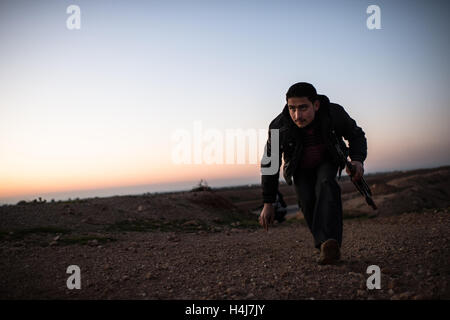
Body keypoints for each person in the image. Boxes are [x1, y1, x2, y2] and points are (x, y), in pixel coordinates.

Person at [259, 82, 367, 265]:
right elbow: (270, 165)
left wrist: (357, 159)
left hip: (328, 159)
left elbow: (356, 135)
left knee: (326, 184)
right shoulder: (278, 127)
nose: (297, 115)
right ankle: (324, 245)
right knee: (307, 200)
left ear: (315, 105)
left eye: (303, 108)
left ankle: (330, 243)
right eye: (292, 108)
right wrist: (268, 202)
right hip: (299, 167)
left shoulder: (334, 113)